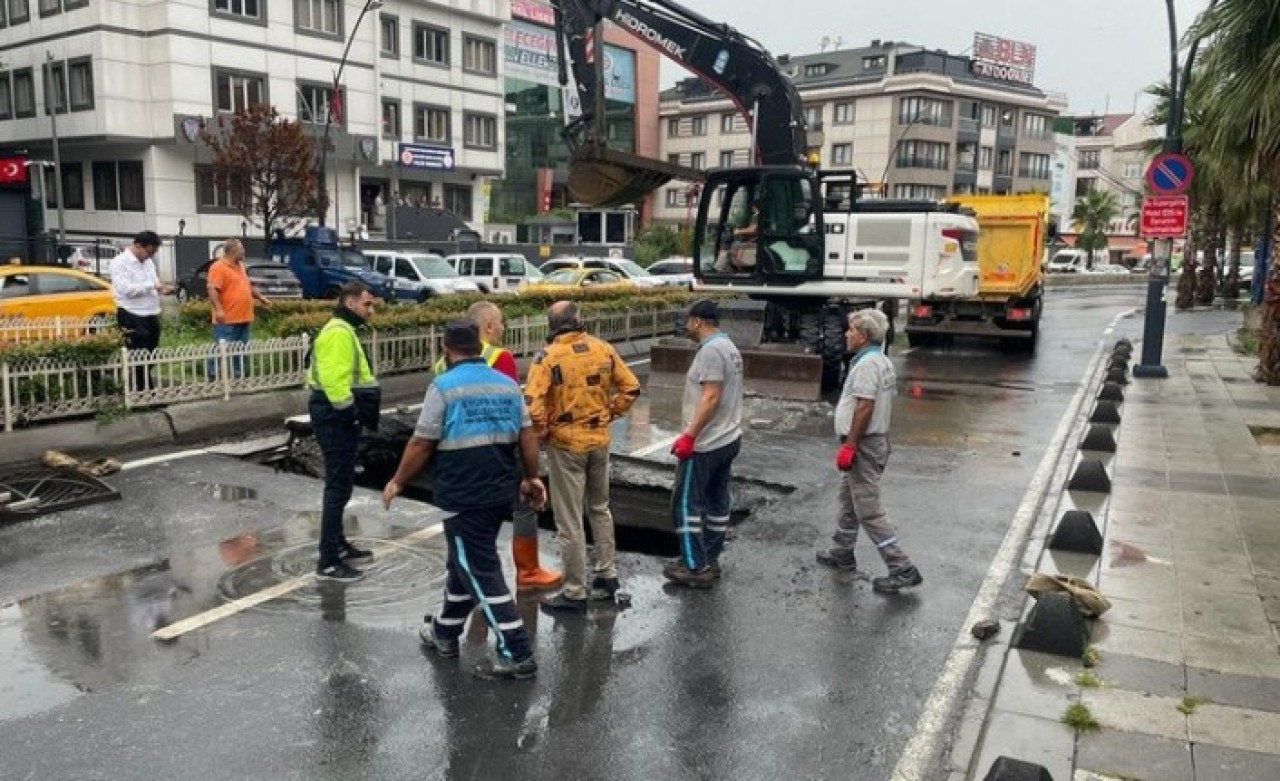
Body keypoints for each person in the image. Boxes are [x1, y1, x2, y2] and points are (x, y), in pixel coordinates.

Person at [383, 320, 548, 680]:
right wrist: (531, 477)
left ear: (446, 349)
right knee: (465, 563)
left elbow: (422, 442)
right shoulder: (506, 384)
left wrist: (398, 480)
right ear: (479, 346)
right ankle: (444, 632)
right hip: (498, 492)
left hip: (463, 493)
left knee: (480, 570)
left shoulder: (443, 386)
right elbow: (528, 435)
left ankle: (517, 651)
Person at [431, 301, 562, 591]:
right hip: (498, 448)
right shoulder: (500, 357)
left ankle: (464, 571)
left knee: (468, 518)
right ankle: (527, 571)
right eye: (501, 322)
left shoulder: (443, 362)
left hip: (457, 451)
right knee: (525, 504)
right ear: (488, 327)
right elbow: (514, 407)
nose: (503, 328)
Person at [525, 301, 640, 612]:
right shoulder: (603, 349)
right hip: (599, 440)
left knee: (570, 520)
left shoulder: (547, 357)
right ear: (578, 320)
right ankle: (607, 576)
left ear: (551, 325)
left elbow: (532, 404)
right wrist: (608, 413)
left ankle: (575, 590)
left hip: (566, 446)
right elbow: (631, 387)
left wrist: (544, 432)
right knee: (600, 508)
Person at [816, 308, 923, 594]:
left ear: (863, 336)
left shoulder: (866, 366)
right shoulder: (881, 361)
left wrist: (850, 444)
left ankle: (902, 568)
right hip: (873, 441)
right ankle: (842, 552)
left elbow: (865, 405)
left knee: (868, 509)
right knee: (848, 499)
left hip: (864, 443)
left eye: (851, 330)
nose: (846, 335)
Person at [664, 298, 744, 588]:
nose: (686, 325)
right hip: (728, 437)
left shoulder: (711, 351)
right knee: (716, 501)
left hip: (706, 442)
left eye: (688, 319)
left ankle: (695, 567)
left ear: (697, 321)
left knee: (684, 504)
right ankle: (710, 557)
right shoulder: (730, 347)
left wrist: (690, 435)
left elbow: (711, 396)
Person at [307, 282, 380, 583]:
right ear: (350, 302)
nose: (370, 311)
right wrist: (349, 414)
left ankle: (337, 544)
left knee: (342, 483)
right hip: (334, 415)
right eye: (367, 304)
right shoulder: (338, 332)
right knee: (338, 487)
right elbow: (335, 381)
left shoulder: (342, 329)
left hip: (335, 414)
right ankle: (328, 561)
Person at [109, 230, 172, 389]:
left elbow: (154, 282)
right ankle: (141, 392)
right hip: (131, 313)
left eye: (154, 253)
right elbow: (126, 289)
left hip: (151, 312)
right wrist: (152, 286)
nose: (150, 256)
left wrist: (162, 289)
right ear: (138, 246)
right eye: (149, 252)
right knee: (138, 355)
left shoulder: (148, 262)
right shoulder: (119, 262)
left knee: (151, 353)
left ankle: (145, 389)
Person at [207, 238, 271, 379]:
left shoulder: (241, 266)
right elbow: (212, 290)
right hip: (227, 317)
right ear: (233, 251)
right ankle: (212, 374)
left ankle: (239, 374)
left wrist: (261, 298)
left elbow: (248, 285)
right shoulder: (218, 267)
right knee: (220, 347)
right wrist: (219, 310)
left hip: (244, 316)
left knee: (242, 348)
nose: (244, 252)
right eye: (241, 249)